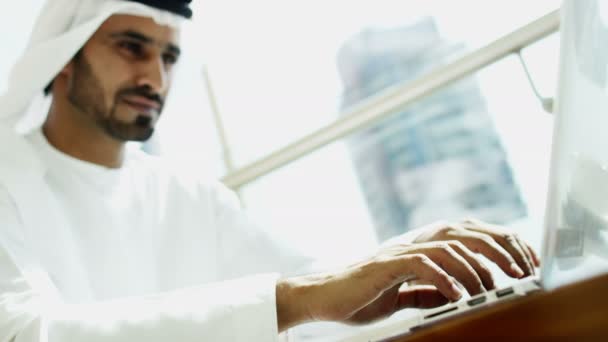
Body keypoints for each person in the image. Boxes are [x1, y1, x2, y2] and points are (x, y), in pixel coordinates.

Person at [0, 0, 539, 340]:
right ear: (64, 57)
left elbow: (327, 303)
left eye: (168, 58)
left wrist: (438, 269)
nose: (155, 78)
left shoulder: (189, 195)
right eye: (131, 47)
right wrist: (296, 299)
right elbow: (26, 332)